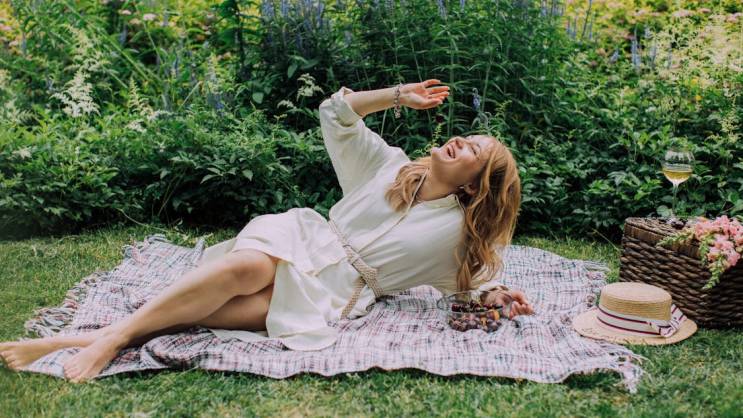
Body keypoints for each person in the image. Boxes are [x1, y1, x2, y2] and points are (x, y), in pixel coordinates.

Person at [0, 79, 534, 382]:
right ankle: (113, 340)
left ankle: (67, 341)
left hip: (335, 293)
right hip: (305, 237)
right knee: (247, 269)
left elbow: (475, 281)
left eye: (474, 150)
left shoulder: (457, 238)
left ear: (475, 185)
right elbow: (336, 113)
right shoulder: (387, 165)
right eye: (467, 135)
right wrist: (398, 95)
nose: (461, 140)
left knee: (213, 315)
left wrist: (497, 293)